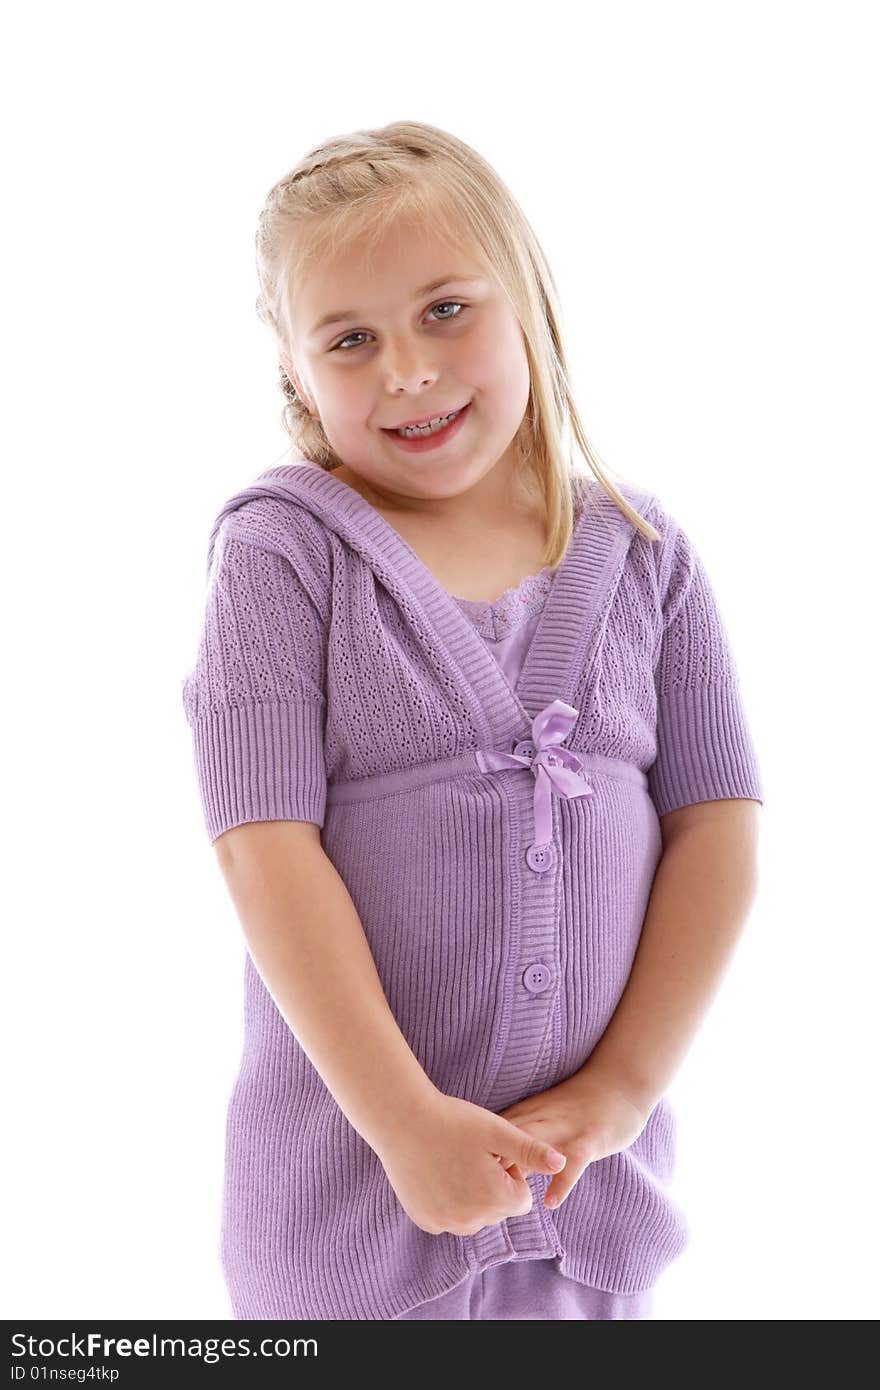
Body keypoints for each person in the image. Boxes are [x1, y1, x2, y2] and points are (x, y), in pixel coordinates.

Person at [180, 120, 765, 1321]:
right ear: (296, 372)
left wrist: (622, 1089)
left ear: (528, 301)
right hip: (350, 1224)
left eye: (446, 309)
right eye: (350, 340)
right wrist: (404, 1126)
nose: (406, 368)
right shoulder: (282, 554)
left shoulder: (645, 556)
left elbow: (718, 825)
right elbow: (262, 847)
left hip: (590, 1206)